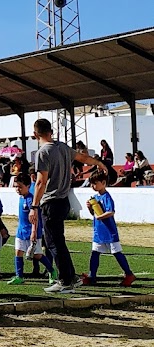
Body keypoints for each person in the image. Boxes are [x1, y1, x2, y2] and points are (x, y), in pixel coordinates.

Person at [28, 118, 105, 294]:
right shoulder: (62, 147)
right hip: (64, 200)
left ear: (35, 134)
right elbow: (83, 158)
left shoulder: (42, 152)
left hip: (51, 201)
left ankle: (65, 280)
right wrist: (99, 163)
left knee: (53, 243)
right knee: (58, 241)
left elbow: (41, 182)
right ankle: (70, 276)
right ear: (51, 131)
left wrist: (34, 206)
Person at [81, 168, 136, 287]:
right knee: (95, 253)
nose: (93, 186)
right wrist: (90, 208)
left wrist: (101, 217)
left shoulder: (106, 196)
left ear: (104, 183)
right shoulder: (95, 197)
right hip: (98, 231)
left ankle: (129, 274)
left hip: (109, 231)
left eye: (95, 183)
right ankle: (92, 275)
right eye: (91, 183)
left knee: (117, 252)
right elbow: (95, 214)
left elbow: (111, 212)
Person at [9, 171, 55, 284]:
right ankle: (19, 276)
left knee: (37, 255)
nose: (17, 189)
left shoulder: (32, 200)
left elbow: (36, 218)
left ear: (28, 186)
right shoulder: (21, 198)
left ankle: (52, 271)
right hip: (21, 231)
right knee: (18, 252)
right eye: (16, 187)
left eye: (20, 187)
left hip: (31, 232)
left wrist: (34, 231)